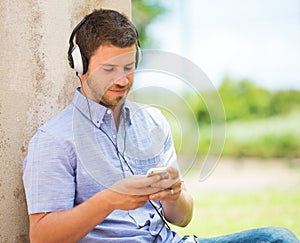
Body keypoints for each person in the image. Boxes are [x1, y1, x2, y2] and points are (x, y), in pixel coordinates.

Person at [22, 8, 299, 243]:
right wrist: (109, 200)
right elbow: (42, 236)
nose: (122, 80)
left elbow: (182, 218)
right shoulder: (53, 140)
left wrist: (175, 195)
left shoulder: (152, 121)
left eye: (128, 67)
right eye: (109, 69)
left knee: (278, 238)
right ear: (81, 65)